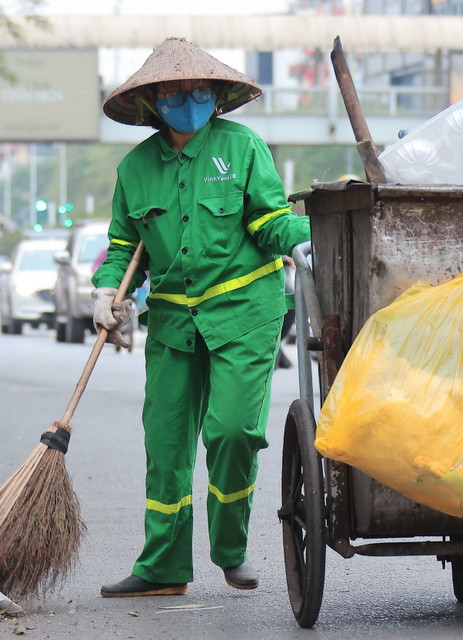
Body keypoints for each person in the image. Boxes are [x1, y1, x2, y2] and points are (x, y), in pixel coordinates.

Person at [93, 38, 310, 598]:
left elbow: (269, 221)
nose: (186, 100)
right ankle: (162, 567)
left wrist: (303, 239)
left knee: (233, 431)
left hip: (244, 313)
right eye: (173, 91)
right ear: (153, 102)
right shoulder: (136, 169)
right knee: (165, 445)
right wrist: (107, 293)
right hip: (173, 324)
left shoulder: (242, 148)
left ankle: (231, 550)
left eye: (197, 90)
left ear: (215, 95)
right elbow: (124, 248)